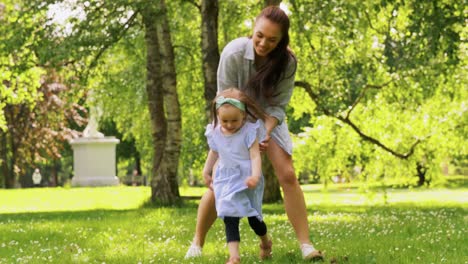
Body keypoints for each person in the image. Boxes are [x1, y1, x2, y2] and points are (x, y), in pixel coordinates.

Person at [186, 6, 323, 261]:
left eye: (273, 40)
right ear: (253, 29)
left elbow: (278, 107)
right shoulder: (233, 53)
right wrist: (237, 133)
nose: (264, 43)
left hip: (268, 119)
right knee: (222, 180)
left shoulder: (287, 63)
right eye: (260, 35)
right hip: (234, 118)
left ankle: (306, 246)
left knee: (288, 174)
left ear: (282, 40)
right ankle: (197, 242)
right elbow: (224, 100)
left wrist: (264, 133)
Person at [204, 88, 271, 263]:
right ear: (218, 116)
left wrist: (255, 176)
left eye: (234, 120)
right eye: (224, 120)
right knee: (229, 216)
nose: (229, 124)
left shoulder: (249, 131)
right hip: (226, 179)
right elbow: (214, 152)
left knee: (254, 219)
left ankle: (265, 242)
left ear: (242, 115)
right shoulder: (215, 132)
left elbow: (255, 155)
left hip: (247, 178)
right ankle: (234, 256)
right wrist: (206, 171)